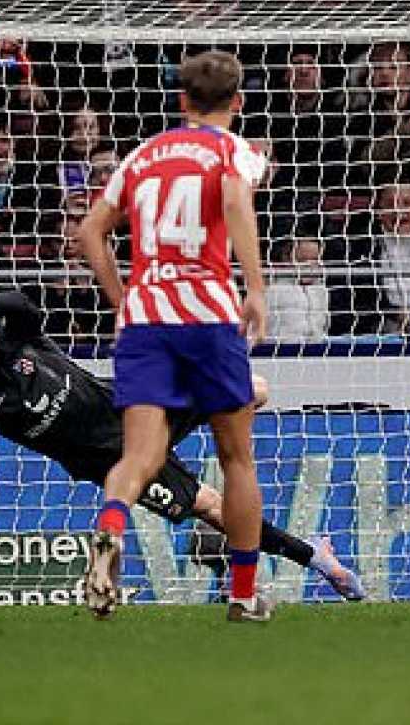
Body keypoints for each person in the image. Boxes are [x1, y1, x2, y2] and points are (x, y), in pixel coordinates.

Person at [0, 289, 362, 600]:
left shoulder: (18, 336)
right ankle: (319, 560)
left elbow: (20, 303)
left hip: (140, 410)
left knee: (255, 389)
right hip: (120, 463)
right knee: (212, 507)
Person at [77, 51, 274, 622]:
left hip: (145, 319)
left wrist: (123, 299)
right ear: (237, 102)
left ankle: (112, 525)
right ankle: (241, 596)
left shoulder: (141, 156)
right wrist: (255, 287)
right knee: (236, 457)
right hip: (209, 316)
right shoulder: (232, 150)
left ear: (180, 100)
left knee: (139, 455)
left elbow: (89, 232)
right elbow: (236, 200)